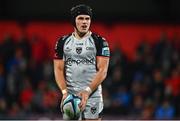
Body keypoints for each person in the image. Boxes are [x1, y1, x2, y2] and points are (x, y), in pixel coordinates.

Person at [53, 4, 110, 120]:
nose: (84, 22)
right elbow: (58, 69)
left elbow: (103, 70)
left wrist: (87, 91)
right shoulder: (62, 42)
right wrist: (64, 92)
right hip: (71, 96)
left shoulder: (100, 42)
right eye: (80, 18)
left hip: (92, 95)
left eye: (87, 18)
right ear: (73, 21)